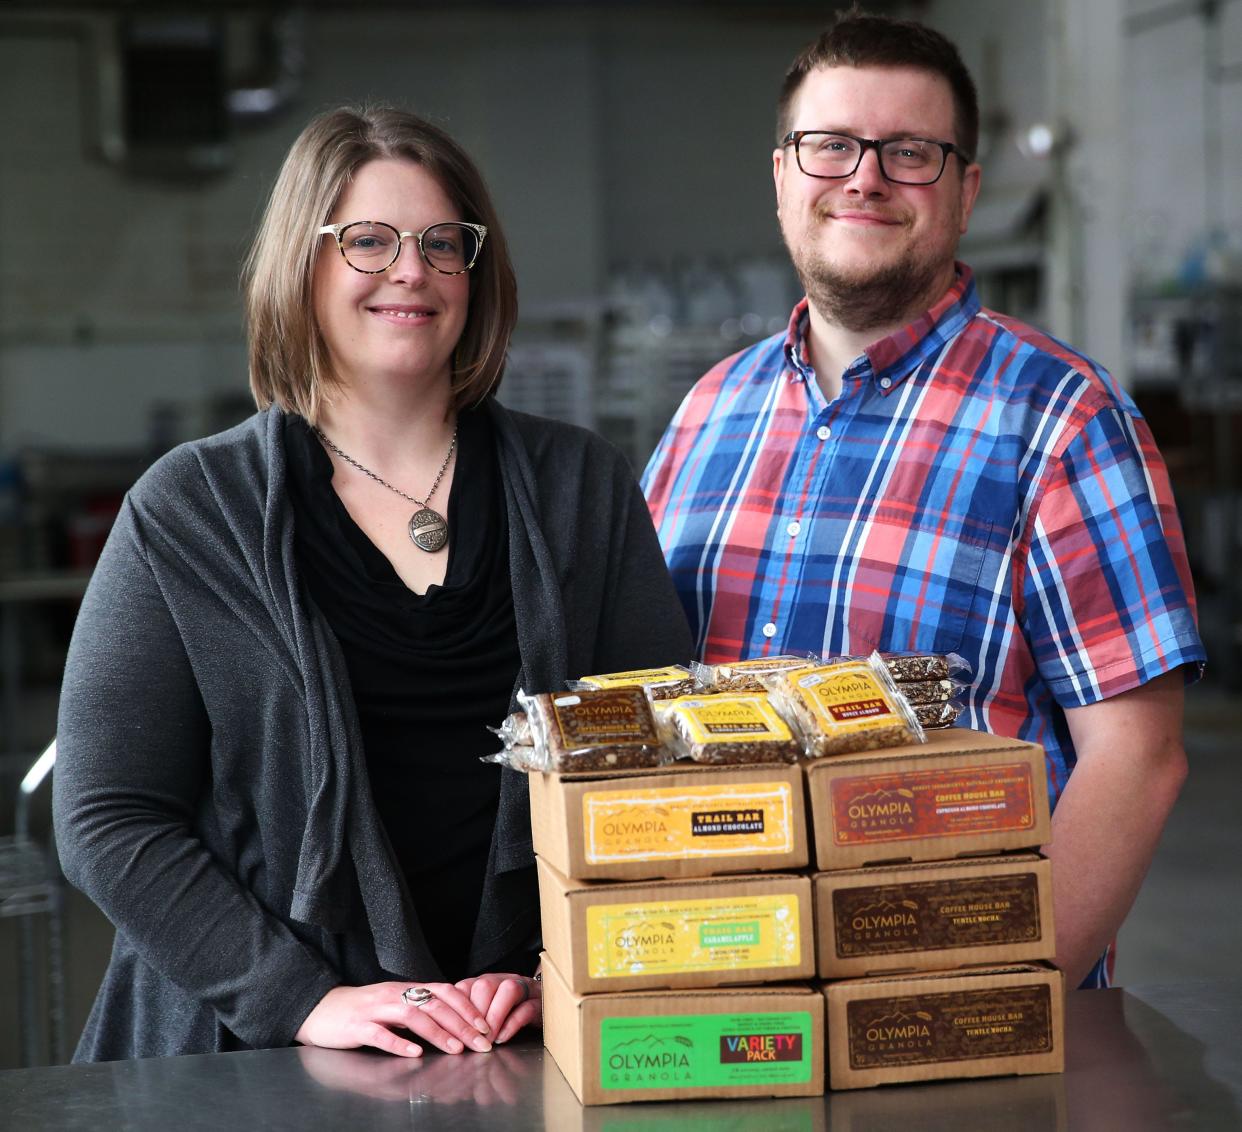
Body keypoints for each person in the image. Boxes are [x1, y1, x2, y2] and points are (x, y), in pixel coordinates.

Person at [53, 105, 693, 1062]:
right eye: (368, 240)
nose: (412, 269)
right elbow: (108, 819)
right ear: (300, 267)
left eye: (444, 242)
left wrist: (556, 965)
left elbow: (654, 769)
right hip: (258, 1055)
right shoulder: (190, 510)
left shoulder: (580, 488)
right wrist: (306, 1001)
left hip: (523, 1036)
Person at [642, 10, 1205, 989]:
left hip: (945, 1024)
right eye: (830, 147)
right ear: (783, 176)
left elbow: (1139, 757)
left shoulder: (1063, 419)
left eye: (909, 152)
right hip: (718, 997)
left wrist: (988, 999)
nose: (864, 176)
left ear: (965, 190)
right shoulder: (704, 414)